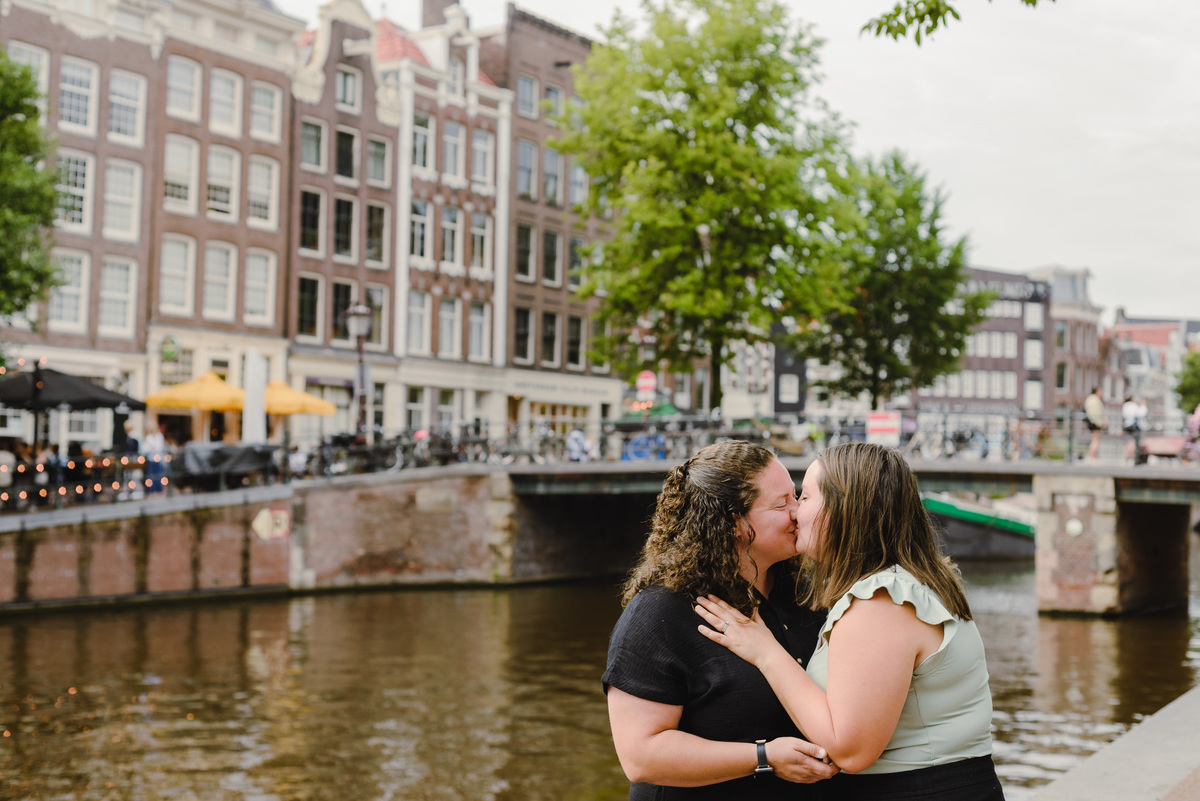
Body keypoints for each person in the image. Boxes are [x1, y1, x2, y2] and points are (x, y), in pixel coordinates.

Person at [695, 443, 1004, 800]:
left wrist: (765, 651)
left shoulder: (882, 601)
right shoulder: (913, 582)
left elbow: (851, 750)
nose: (794, 513)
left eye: (805, 498)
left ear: (844, 510)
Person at [602, 440, 837, 799]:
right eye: (781, 503)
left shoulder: (809, 593)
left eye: (798, 497)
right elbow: (641, 756)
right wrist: (763, 757)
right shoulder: (659, 614)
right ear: (734, 524)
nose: (798, 513)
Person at [1121, 395, 1147, 464]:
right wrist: (1143, 406)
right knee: (1132, 443)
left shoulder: (1125, 405)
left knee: (1129, 441)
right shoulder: (1133, 405)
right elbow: (1141, 414)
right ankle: (1131, 458)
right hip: (1133, 426)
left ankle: (1125, 458)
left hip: (1127, 426)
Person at [1083, 386, 1106, 460]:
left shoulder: (1089, 399)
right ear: (1096, 391)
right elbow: (1097, 412)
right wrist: (1101, 423)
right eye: (1100, 391)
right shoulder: (1095, 400)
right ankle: (1092, 456)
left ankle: (1092, 456)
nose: (1102, 393)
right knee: (1096, 440)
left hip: (1091, 422)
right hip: (1095, 423)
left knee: (1094, 440)